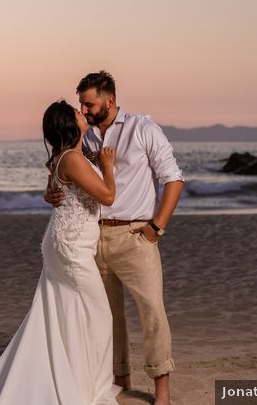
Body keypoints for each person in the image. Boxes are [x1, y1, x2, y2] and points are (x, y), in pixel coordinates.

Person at [0, 100, 120, 405]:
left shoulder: (65, 157)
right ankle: (94, 393)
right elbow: (108, 196)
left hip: (63, 243)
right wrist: (109, 167)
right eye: (76, 112)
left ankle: (76, 382)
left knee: (66, 314)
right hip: (71, 249)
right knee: (99, 316)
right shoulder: (72, 158)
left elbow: (54, 191)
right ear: (69, 125)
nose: (82, 113)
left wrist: (51, 192)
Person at [45, 71, 184, 405]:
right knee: (108, 316)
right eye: (82, 105)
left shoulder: (143, 130)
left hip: (135, 234)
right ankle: (120, 379)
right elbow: (63, 171)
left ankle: (161, 388)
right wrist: (50, 192)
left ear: (109, 100)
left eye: (89, 104)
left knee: (151, 310)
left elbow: (174, 179)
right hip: (92, 240)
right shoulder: (85, 137)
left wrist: (156, 227)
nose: (85, 110)